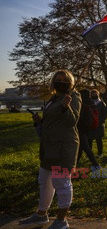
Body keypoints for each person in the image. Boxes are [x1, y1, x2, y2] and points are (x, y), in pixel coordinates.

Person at [19, 69, 81, 229]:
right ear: (53, 83)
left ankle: (61, 220)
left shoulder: (73, 96)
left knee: (61, 182)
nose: (61, 82)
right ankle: (41, 215)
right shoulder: (53, 99)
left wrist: (66, 107)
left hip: (63, 148)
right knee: (44, 181)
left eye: (64, 80)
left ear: (70, 82)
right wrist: (39, 122)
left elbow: (72, 122)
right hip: (48, 148)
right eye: (58, 79)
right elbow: (50, 123)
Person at [76, 89, 100, 168]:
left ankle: (96, 164)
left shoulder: (82, 104)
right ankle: (75, 164)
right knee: (82, 147)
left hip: (81, 128)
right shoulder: (91, 103)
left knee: (85, 147)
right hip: (88, 128)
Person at [89, 89, 107, 158]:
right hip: (91, 124)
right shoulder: (89, 103)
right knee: (89, 140)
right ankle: (90, 154)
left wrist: (101, 121)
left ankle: (100, 153)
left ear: (98, 94)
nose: (94, 95)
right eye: (92, 94)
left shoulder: (101, 103)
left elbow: (105, 114)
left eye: (95, 94)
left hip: (100, 124)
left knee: (99, 139)